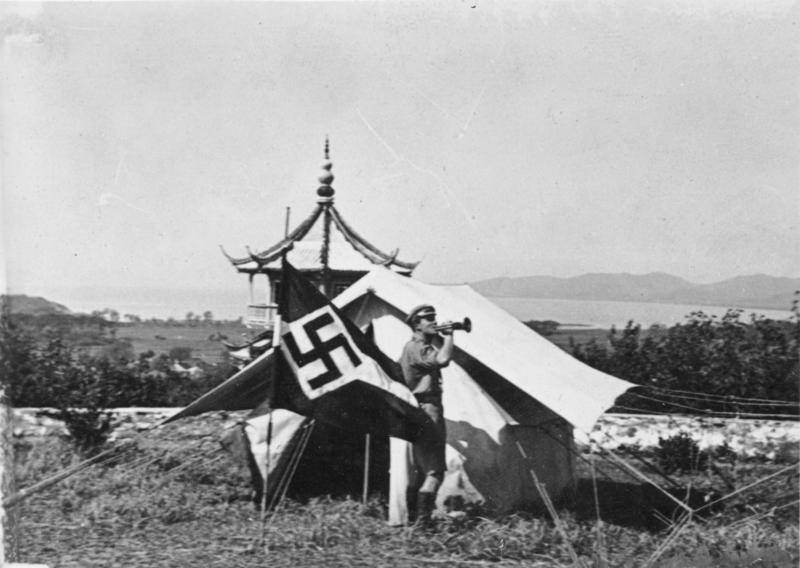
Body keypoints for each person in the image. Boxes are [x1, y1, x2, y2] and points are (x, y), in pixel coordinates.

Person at [398, 304, 455, 527]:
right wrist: (449, 337)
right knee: (435, 470)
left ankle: (414, 519)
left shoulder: (415, 346)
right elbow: (443, 360)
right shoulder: (417, 347)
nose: (434, 321)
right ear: (416, 324)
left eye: (434, 317)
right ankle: (422, 523)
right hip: (428, 408)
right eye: (428, 318)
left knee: (422, 469)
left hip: (420, 408)